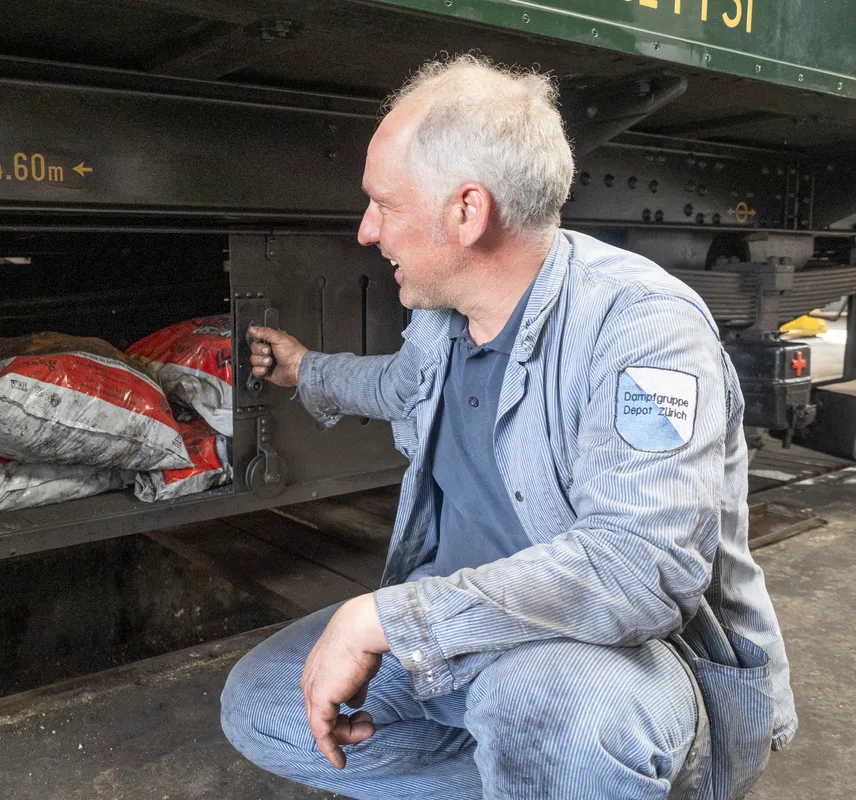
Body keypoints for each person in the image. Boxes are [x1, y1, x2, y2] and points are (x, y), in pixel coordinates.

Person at [220, 54, 793, 800]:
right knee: (263, 703)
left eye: (384, 204)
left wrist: (390, 617)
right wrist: (306, 371)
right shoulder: (441, 316)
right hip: (469, 636)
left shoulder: (643, 327)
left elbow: (638, 570)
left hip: (607, 657)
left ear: (467, 211)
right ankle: (544, 780)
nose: (366, 231)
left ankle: (595, 767)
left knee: (543, 705)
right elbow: (401, 387)